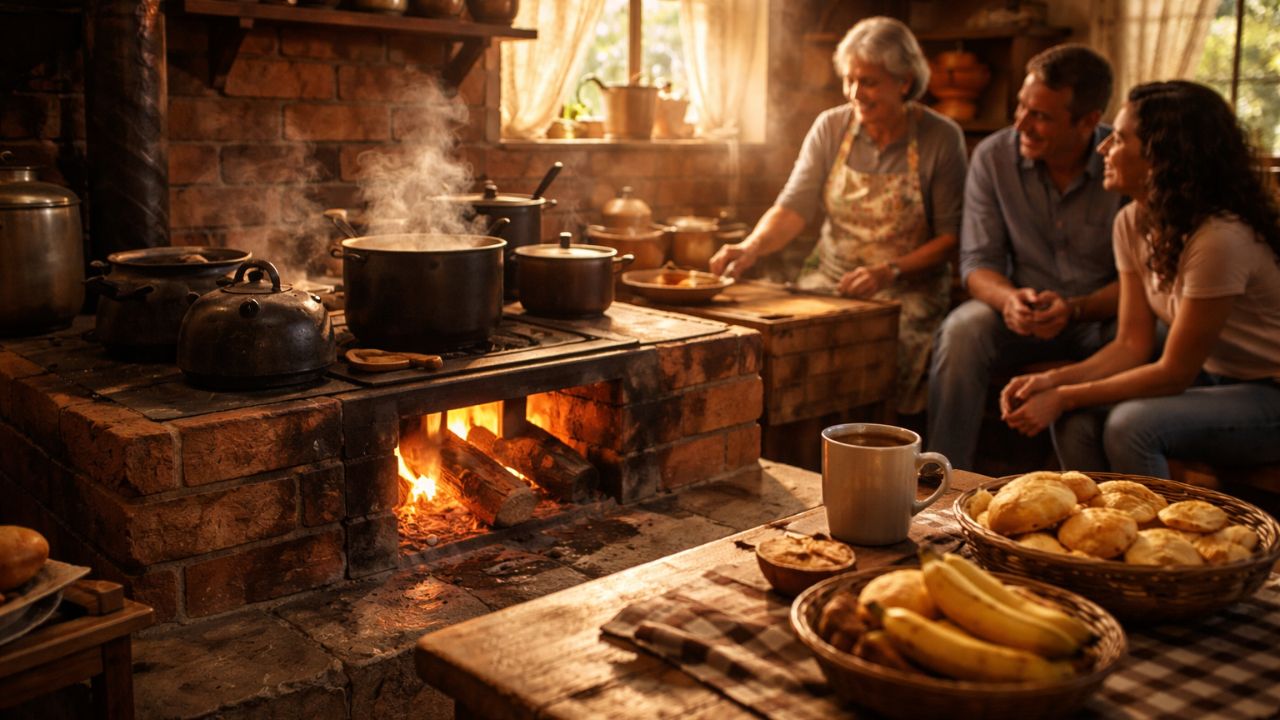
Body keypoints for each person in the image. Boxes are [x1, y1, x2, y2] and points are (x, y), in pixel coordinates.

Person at [1001, 80, 1280, 477]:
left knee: (1132, 426)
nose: (1102, 149)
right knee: (1074, 420)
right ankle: (1093, 533)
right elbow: (1131, 345)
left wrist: (1064, 394)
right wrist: (1049, 382)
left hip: (1268, 391)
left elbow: (1173, 373)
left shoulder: (1220, 238)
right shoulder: (1131, 221)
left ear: (1161, 156)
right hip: (1214, 379)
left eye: (1117, 139)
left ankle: (1153, 537)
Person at [709, 16, 966, 416]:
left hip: (906, 289)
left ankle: (882, 453)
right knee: (791, 345)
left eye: (869, 81)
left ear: (904, 80)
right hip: (831, 279)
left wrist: (888, 272)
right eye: (849, 80)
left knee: (881, 357)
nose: (855, 93)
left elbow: (951, 239)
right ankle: (806, 454)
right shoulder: (831, 127)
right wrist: (751, 247)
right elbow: (794, 206)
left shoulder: (941, 138)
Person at [926, 44, 1124, 469]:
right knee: (962, 330)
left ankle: (1096, 486)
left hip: (1102, 318)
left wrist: (1075, 309)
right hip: (1022, 314)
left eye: (1041, 116)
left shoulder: (1122, 159)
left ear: (1089, 121)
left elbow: (1146, 285)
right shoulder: (994, 157)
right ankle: (941, 478)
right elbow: (977, 263)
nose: (1021, 125)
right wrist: (1009, 301)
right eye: (1021, 107)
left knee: (1150, 334)